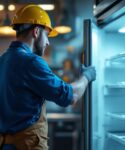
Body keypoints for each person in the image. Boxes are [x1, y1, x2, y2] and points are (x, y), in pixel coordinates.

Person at [0, 4, 96, 150]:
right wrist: (86, 76)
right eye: (47, 35)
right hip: (26, 145)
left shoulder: (3, 60)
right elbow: (70, 96)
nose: (47, 42)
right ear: (36, 32)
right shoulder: (31, 61)